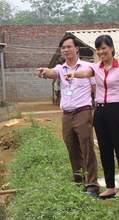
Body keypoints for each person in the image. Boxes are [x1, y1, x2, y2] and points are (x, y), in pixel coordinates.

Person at [65, 35, 119, 198]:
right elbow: (85, 73)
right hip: (100, 111)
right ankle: (110, 187)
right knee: (105, 149)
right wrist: (74, 74)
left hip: (117, 109)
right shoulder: (96, 68)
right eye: (98, 49)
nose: (101, 52)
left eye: (104, 48)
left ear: (111, 48)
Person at [37, 35, 100, 197]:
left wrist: (98, 107)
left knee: (87, 149)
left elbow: (95, 89)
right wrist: (44, 72)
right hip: (67, 116)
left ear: (77, 48)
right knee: (72, 149)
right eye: (63, 48)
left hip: (83, 112)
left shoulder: (88, 67)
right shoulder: (60, 68)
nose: (66, 50)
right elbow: (51, 73)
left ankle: (92, 185)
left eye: (69, 47)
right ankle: (79, 183)